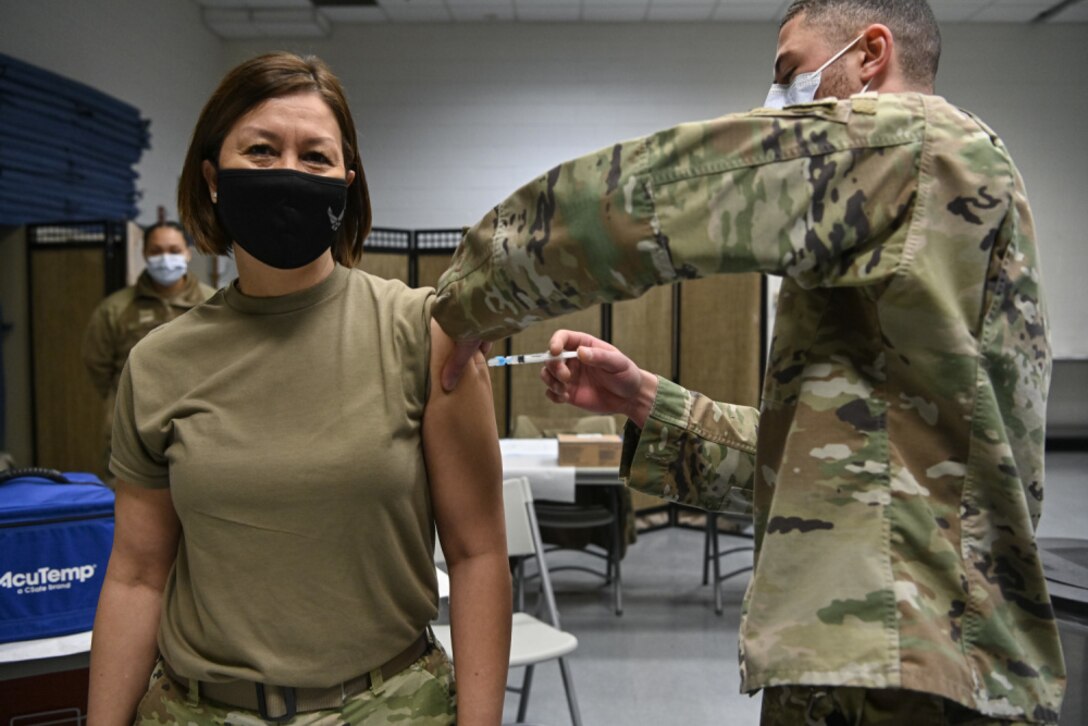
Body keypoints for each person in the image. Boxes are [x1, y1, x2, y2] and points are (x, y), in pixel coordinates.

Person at [432, 0, 1065, 723]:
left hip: (904, 671)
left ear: (871, 54)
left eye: (792, 74)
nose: (777, 106)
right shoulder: (909, 232)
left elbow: (666, 192)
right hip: (893, 661)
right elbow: (821, 475)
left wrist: (471, 299)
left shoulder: (920, 147)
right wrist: (646, 401)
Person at [87, 52, 511, 726]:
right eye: (260, 149)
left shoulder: (425, 335)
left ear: (346, 182)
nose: (287, 171)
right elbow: (137, 575)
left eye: (315, 157)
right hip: (198, 710)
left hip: (386, 707)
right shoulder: (157, 362)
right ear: (213, 178)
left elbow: (478, 552)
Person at [81, 221, 215, 481]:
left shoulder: (212, 304)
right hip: (132, 426)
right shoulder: (116, 309)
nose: (166, 258)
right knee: (129, 507)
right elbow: (97, 365)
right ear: (144, 254)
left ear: (188, 252)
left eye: (174, 250)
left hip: (199, 426)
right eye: (156, 251)